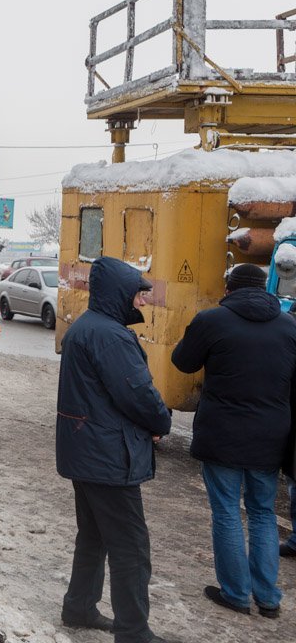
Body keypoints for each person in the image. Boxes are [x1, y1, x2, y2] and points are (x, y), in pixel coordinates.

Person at [57, 257, 172, 643]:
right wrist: (161, 423)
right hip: (107, 456)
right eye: (137, 295)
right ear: (120, 294)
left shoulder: (87, 328)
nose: (140, 302)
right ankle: (134, 630)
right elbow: (137, 394)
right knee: (131, 546)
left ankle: (79, 606)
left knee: (94, 535)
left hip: (88, 450)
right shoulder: (110, 336)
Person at [172, 263, 296, 619]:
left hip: (222, 433)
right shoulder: (290, 327)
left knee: (226, 511)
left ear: (230, 289)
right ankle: (268, 597)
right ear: (266, 289)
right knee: (262, 513)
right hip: (271, 435)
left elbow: (182, 362)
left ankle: (236, 594)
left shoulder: (212, 321)